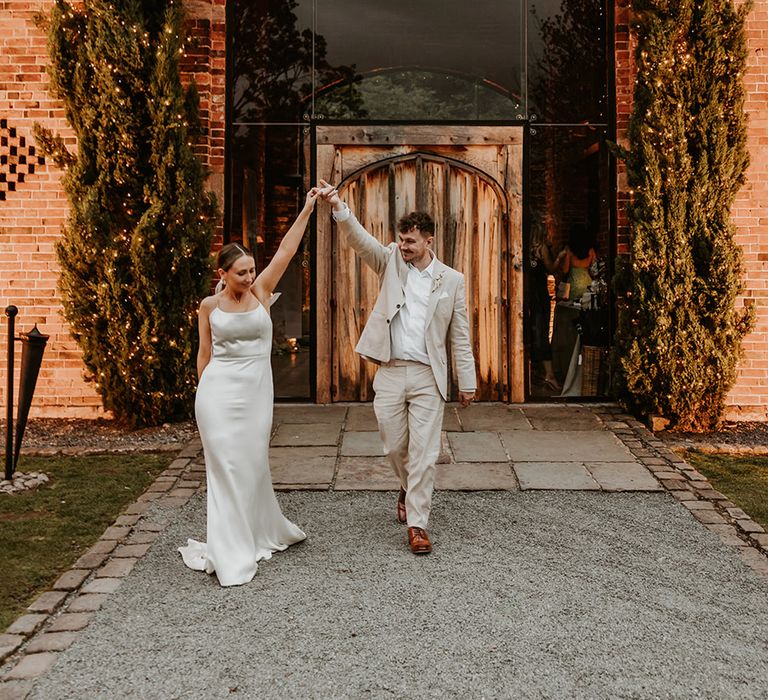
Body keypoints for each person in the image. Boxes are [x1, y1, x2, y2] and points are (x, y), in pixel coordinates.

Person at [318, 179, 476, 555]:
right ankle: (406, 485)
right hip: (390, 370)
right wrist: (339, 205)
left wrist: (466, 381)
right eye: (401, 240)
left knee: (425, 451)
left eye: (410, 242)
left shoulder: (452, 280)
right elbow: (361, 241)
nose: (403, 247)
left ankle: (418, 524)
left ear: (428, 242)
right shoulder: (390, 260)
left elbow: (460, 334)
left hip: (427, 376)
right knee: (394, 445)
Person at [178, 188, 320, 586]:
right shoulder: (209, 306)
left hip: (255, 394)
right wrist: (200, 396)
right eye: (241, 272)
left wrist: (307, 208)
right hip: (216, 396)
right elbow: (204, 356)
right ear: (222, 274)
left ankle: (258, 529)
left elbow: (287, 252)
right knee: (223, 467)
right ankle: (229, 547)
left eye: (251, 269)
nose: (249, 276)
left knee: (251, 463)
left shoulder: (260, 293)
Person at [528, 215, 561, 393]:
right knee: (542, 334)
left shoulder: (526, 249)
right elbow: (551, 268)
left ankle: (537, 372)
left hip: (528, 294)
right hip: (540, 295)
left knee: (532, 331)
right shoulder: (542, 249)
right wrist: (561, 256)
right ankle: (549, 374)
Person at [555, 223, 597, 302]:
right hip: (587, 284)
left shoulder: (569, 250)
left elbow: (565, 270)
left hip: (573, 285)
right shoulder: (591, 251)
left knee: (573, 310)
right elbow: (594, 270)